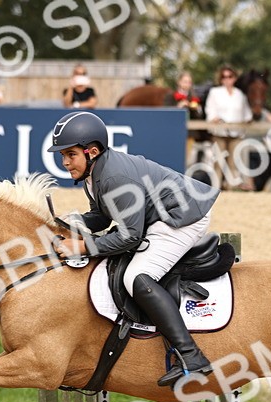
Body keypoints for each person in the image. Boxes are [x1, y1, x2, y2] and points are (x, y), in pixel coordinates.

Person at [48, 111, 218, 387]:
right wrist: (70, 222)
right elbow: (103, 217)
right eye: (62, 156)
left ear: (91, 151)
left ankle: (191, 356)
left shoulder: (114, 177)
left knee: (136, 277)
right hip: (161, 214)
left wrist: (82, 247)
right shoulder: (95, 172)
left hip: (182, 218)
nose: (65, 162)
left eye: (70, 154)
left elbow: (129, 238)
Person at [204, 65, 253, 191]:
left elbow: (247, 113)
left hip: (236, 134)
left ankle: (230, 190)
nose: (227, 79)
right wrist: (213, 118)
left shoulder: (240, 95)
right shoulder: (215, 92)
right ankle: (215, 189)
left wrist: (248, 119)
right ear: (221, 79)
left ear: (234, 78)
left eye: (230, 76)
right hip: (219, 133)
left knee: (233, 163)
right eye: (224, 77)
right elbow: (210, 110)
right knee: (219, 163)